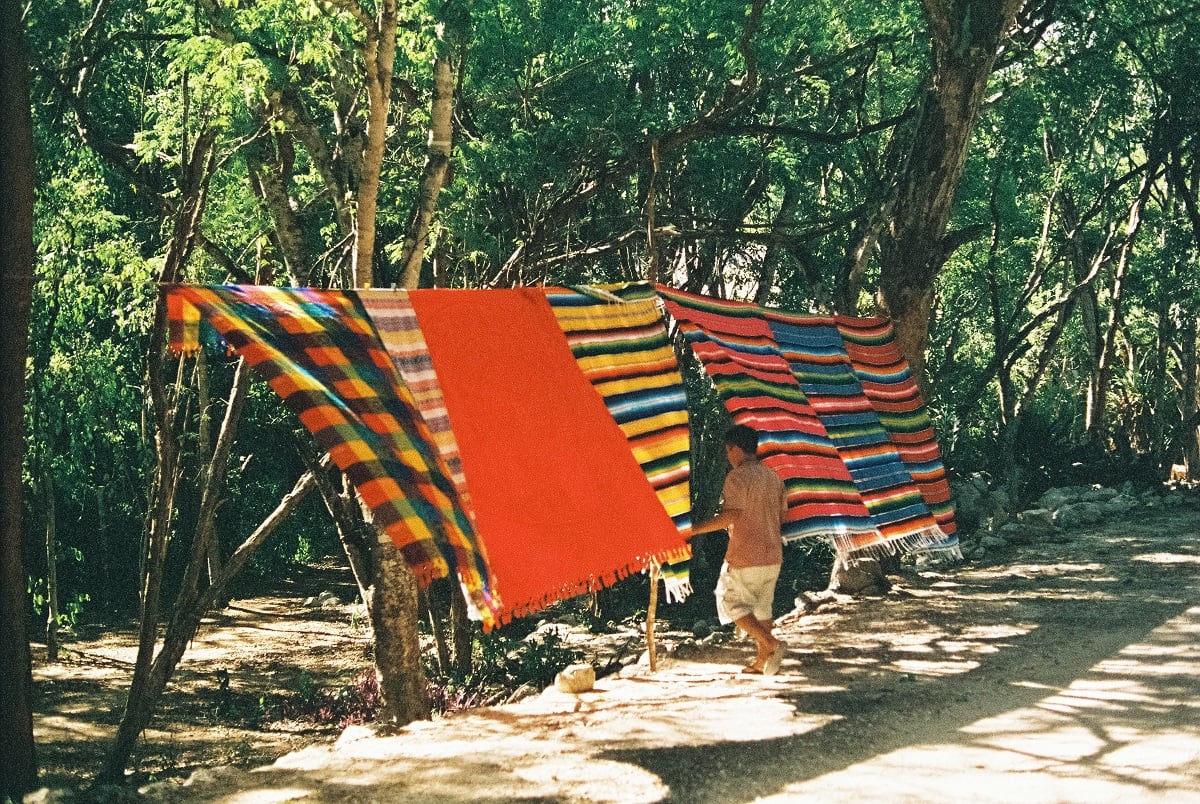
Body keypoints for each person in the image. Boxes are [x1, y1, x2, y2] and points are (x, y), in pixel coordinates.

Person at [690, 424, 788, 675]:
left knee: (728, 600)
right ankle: (762, 661)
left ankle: (771, 643)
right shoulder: (773, 477)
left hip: (746, 554)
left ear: (734, 449)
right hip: (773, 554)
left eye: (727, 451)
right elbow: (782, 516)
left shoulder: (737, 477)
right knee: (762, 609)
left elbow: (731, 515)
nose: (727, 456)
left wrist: (694, 529)